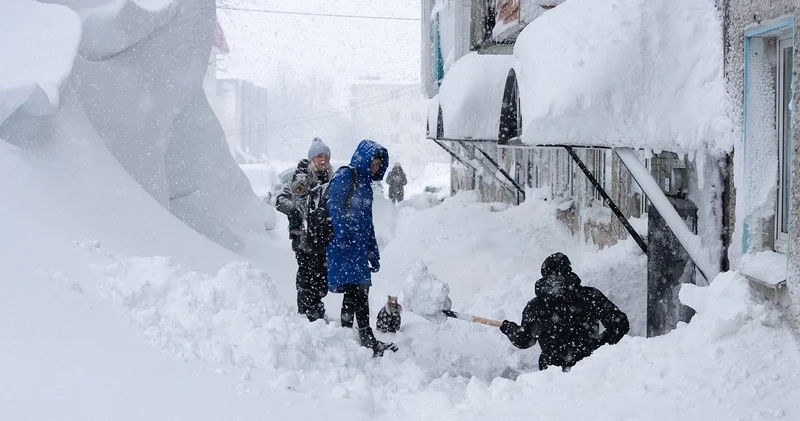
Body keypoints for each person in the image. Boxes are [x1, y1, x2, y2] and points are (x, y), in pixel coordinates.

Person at [327, 139, 398, 356]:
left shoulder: (366, 186)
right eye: (373, 161)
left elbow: (368, 223)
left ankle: (349, 336)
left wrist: (372, 252)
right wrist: (341, 235)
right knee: (358, 292)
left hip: (357, 248)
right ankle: (365, 339)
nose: (375, 166)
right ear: (364, 158)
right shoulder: (346, 176)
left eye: (379, 164)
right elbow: (333, 206)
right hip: (344, 246)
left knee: (355, 292)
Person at [499, 252, 629, 371]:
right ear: (568, 269)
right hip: (590, 367)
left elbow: (524, 340)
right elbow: (620, 324)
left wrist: (509, 328)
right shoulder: (590, 296)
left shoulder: (536, 306)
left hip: (553, 374)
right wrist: (600, 346)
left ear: (544, 274)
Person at [275, 137, 333, 322]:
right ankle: (306, 313)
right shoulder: (301, 177)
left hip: (323, 239)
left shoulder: (330, 179)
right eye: (319, 156)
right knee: (307, 276)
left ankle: (316, 308)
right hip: (303, 239)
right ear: (311, 159)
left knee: (321, 278)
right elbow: (280, 201)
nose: (323, 160)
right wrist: (299, 209)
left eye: (326, 157)